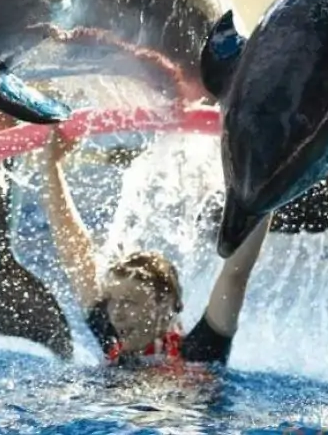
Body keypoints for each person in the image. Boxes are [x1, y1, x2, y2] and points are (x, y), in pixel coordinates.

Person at [39, 130, 271, 367]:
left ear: (165, 304)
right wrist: (51, 165)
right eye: (112, 300)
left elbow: (236, 274)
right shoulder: (114, 336)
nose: (116, 313)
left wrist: (270, 184)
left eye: (130, 302)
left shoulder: (201, 351)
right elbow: (75, 252)